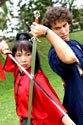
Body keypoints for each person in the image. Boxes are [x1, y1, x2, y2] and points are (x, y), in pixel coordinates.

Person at [0, 32, 74, 125]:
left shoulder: (37, 78)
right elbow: (9, 58)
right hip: (24, 121)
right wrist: (2, 46)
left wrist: (69, 123)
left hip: (38, 122)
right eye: (19, 55)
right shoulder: (18, 69)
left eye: (28, 54)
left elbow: (54, 104)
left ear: (34, 55)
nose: (23, 60)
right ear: (14, 57)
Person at [30, 6, 83, 125]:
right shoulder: (54, 54)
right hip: (78, 110)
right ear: (51, 31)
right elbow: (70, 58)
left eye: (65, 25)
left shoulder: (76, 45)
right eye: (57, 28)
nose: (63, 31)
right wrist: (46, 32)